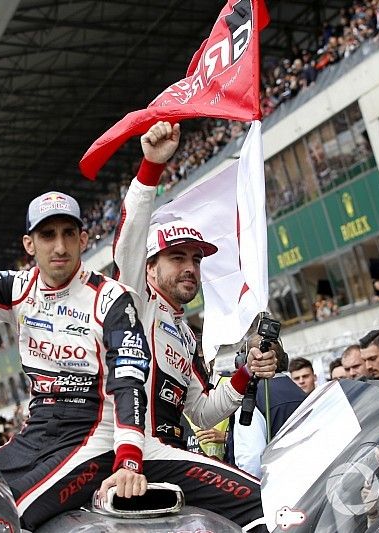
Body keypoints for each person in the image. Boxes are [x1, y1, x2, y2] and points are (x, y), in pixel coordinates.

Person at [0, 176, 152, 528]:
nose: (59, 246)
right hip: (35, 433)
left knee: (7, 517)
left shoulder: (112, 297)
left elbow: (130, 378)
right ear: (29, 244)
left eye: (68, 233)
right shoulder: (17, 289)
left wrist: (129, 456)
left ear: (83, 239)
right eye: (47, 235)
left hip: (91, 437)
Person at [111, 121, 276, 529]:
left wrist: (245, 374)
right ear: (149, 267)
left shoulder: (186, 335)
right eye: (178, 258)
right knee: (260, 501)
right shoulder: (135, 302)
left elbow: (202, 413)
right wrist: (151, 167)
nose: (190, 269)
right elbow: (129, 239)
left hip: (170, 452)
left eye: (197, 261)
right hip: (132, 454)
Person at [232, 336, 307, 478]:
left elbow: (251, 462)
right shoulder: (302, 394)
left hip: (272, 490)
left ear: (243, 361)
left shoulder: (251, 397)